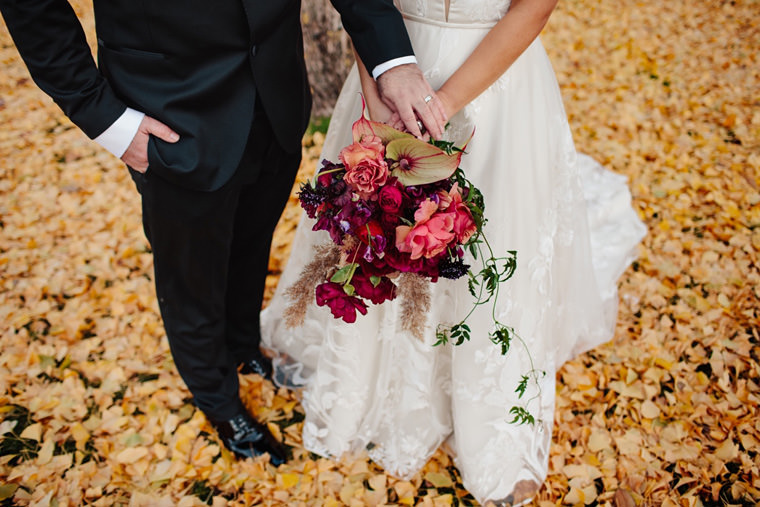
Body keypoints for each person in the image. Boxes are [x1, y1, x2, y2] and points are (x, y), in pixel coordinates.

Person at [0, 0, 448, 465]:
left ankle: (239, 344)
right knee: (189, 271)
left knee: (252, 241)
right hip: (170, 112)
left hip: (275, 93)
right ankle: (215, 395)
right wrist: (105, 117)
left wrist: (392, 59)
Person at [261, 0, 647, 503]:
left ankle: (483, 414)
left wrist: (439, 108)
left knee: (483, 249)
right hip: (390, 67)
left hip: (495, 84)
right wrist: (377, 92)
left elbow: (532, 9)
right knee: (379, 233)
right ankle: (363, 388)